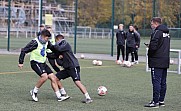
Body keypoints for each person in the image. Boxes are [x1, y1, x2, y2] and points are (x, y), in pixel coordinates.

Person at [18, 29, 69, 102]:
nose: (48, 40)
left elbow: (53, 49)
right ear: (42, 36)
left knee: (53, 77)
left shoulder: (46, 43)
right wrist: (21, 62)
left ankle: (59, 96)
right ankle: (34, 91)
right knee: (44, 77)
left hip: (43, 63)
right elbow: (24, 50)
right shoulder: (35, 42)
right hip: (35, 62)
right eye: (47, 38)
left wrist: (59, 54)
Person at [49, 34, 93, 104]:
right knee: (55, 78)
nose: (55, 42)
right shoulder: (60, 49)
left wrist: (52, 46)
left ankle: (88, 98)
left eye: (56, 41)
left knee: (77, 82)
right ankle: (63, 94)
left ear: (58, 40)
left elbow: (57, 48)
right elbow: (55, 57)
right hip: (67, 68)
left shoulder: (65, 44)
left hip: (73, 66)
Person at [144, 17, 170, 108]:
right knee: (163, 82)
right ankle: (161, 100)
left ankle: (155, 102)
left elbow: (154, 47)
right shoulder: (166, 33)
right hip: (165, 60)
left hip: (156, 60)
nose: (151, 26)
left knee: (156, 81)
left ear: (155, 23)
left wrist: (149, 51)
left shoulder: (156, 32)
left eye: (151, 24)